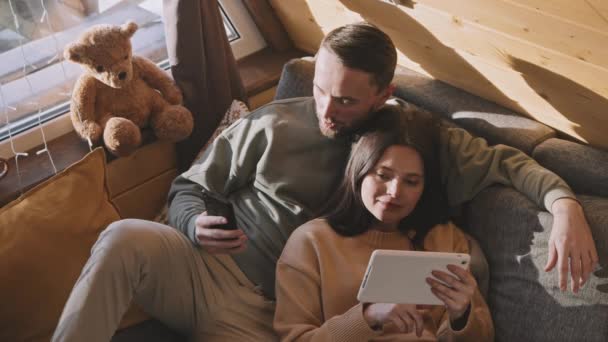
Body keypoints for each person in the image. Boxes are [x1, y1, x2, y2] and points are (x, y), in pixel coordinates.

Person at [52, 23, 596, 341]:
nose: (326, 110)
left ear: (383, 95)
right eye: (321, 91)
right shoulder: (272, 122)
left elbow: (509, 163)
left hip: (279, 318)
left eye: (346, 100)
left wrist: (564, 204)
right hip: (206, 271)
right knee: (122, 239)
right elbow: (188, 189)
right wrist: (195, 224)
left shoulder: (410, 145)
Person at [274, 106, 494, 341]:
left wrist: (461, 315)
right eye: (383, 175)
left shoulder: (445, 239)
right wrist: (369, 316)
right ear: (360, 170)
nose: (394, 192)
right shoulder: (311, 242)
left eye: (411, 181)